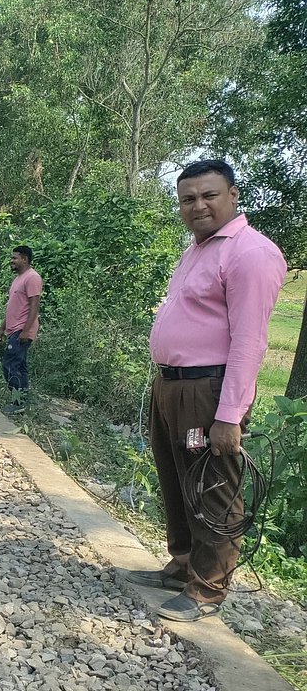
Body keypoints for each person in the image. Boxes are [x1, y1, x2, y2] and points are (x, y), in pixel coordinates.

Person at [127, 159, 286, 622]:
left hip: (209, 389)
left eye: (208, 195)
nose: (198, 206)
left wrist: (230, 414)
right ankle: (182, 564)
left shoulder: (250, 253)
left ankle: (208, 587)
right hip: (173, 384)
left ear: (233, 195)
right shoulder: (198, 250)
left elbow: (250, 342)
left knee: (213, 484)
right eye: (188, 198)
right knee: (178, 476)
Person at [0, 246, 42, 412]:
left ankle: (17, 403)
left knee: (10, 365)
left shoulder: (32, 278)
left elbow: (34, 306)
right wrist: (2, 328)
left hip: (22, 330)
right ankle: (22, 401)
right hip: (13, 329)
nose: (12, 261)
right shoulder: (18, 279)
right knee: (19, 366)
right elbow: (12, 307)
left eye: (15, 258)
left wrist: (25, 330)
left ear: (25, 259)